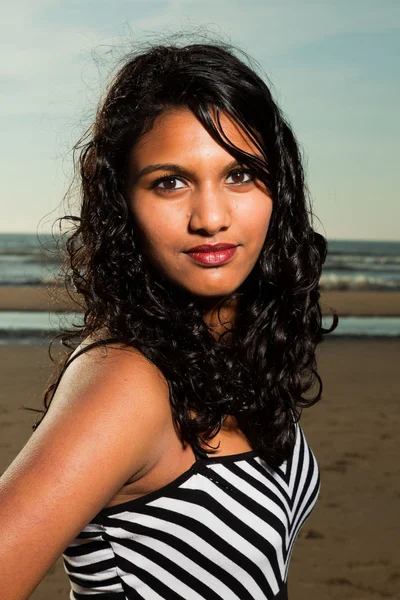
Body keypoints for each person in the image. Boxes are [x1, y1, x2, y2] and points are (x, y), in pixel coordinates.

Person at [0, 40, 337, 599]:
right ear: (122, 203)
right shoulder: (126, 382)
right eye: (170, 182)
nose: (210, 217)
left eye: (240, 175)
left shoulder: (226, 350)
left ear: (277, 190)